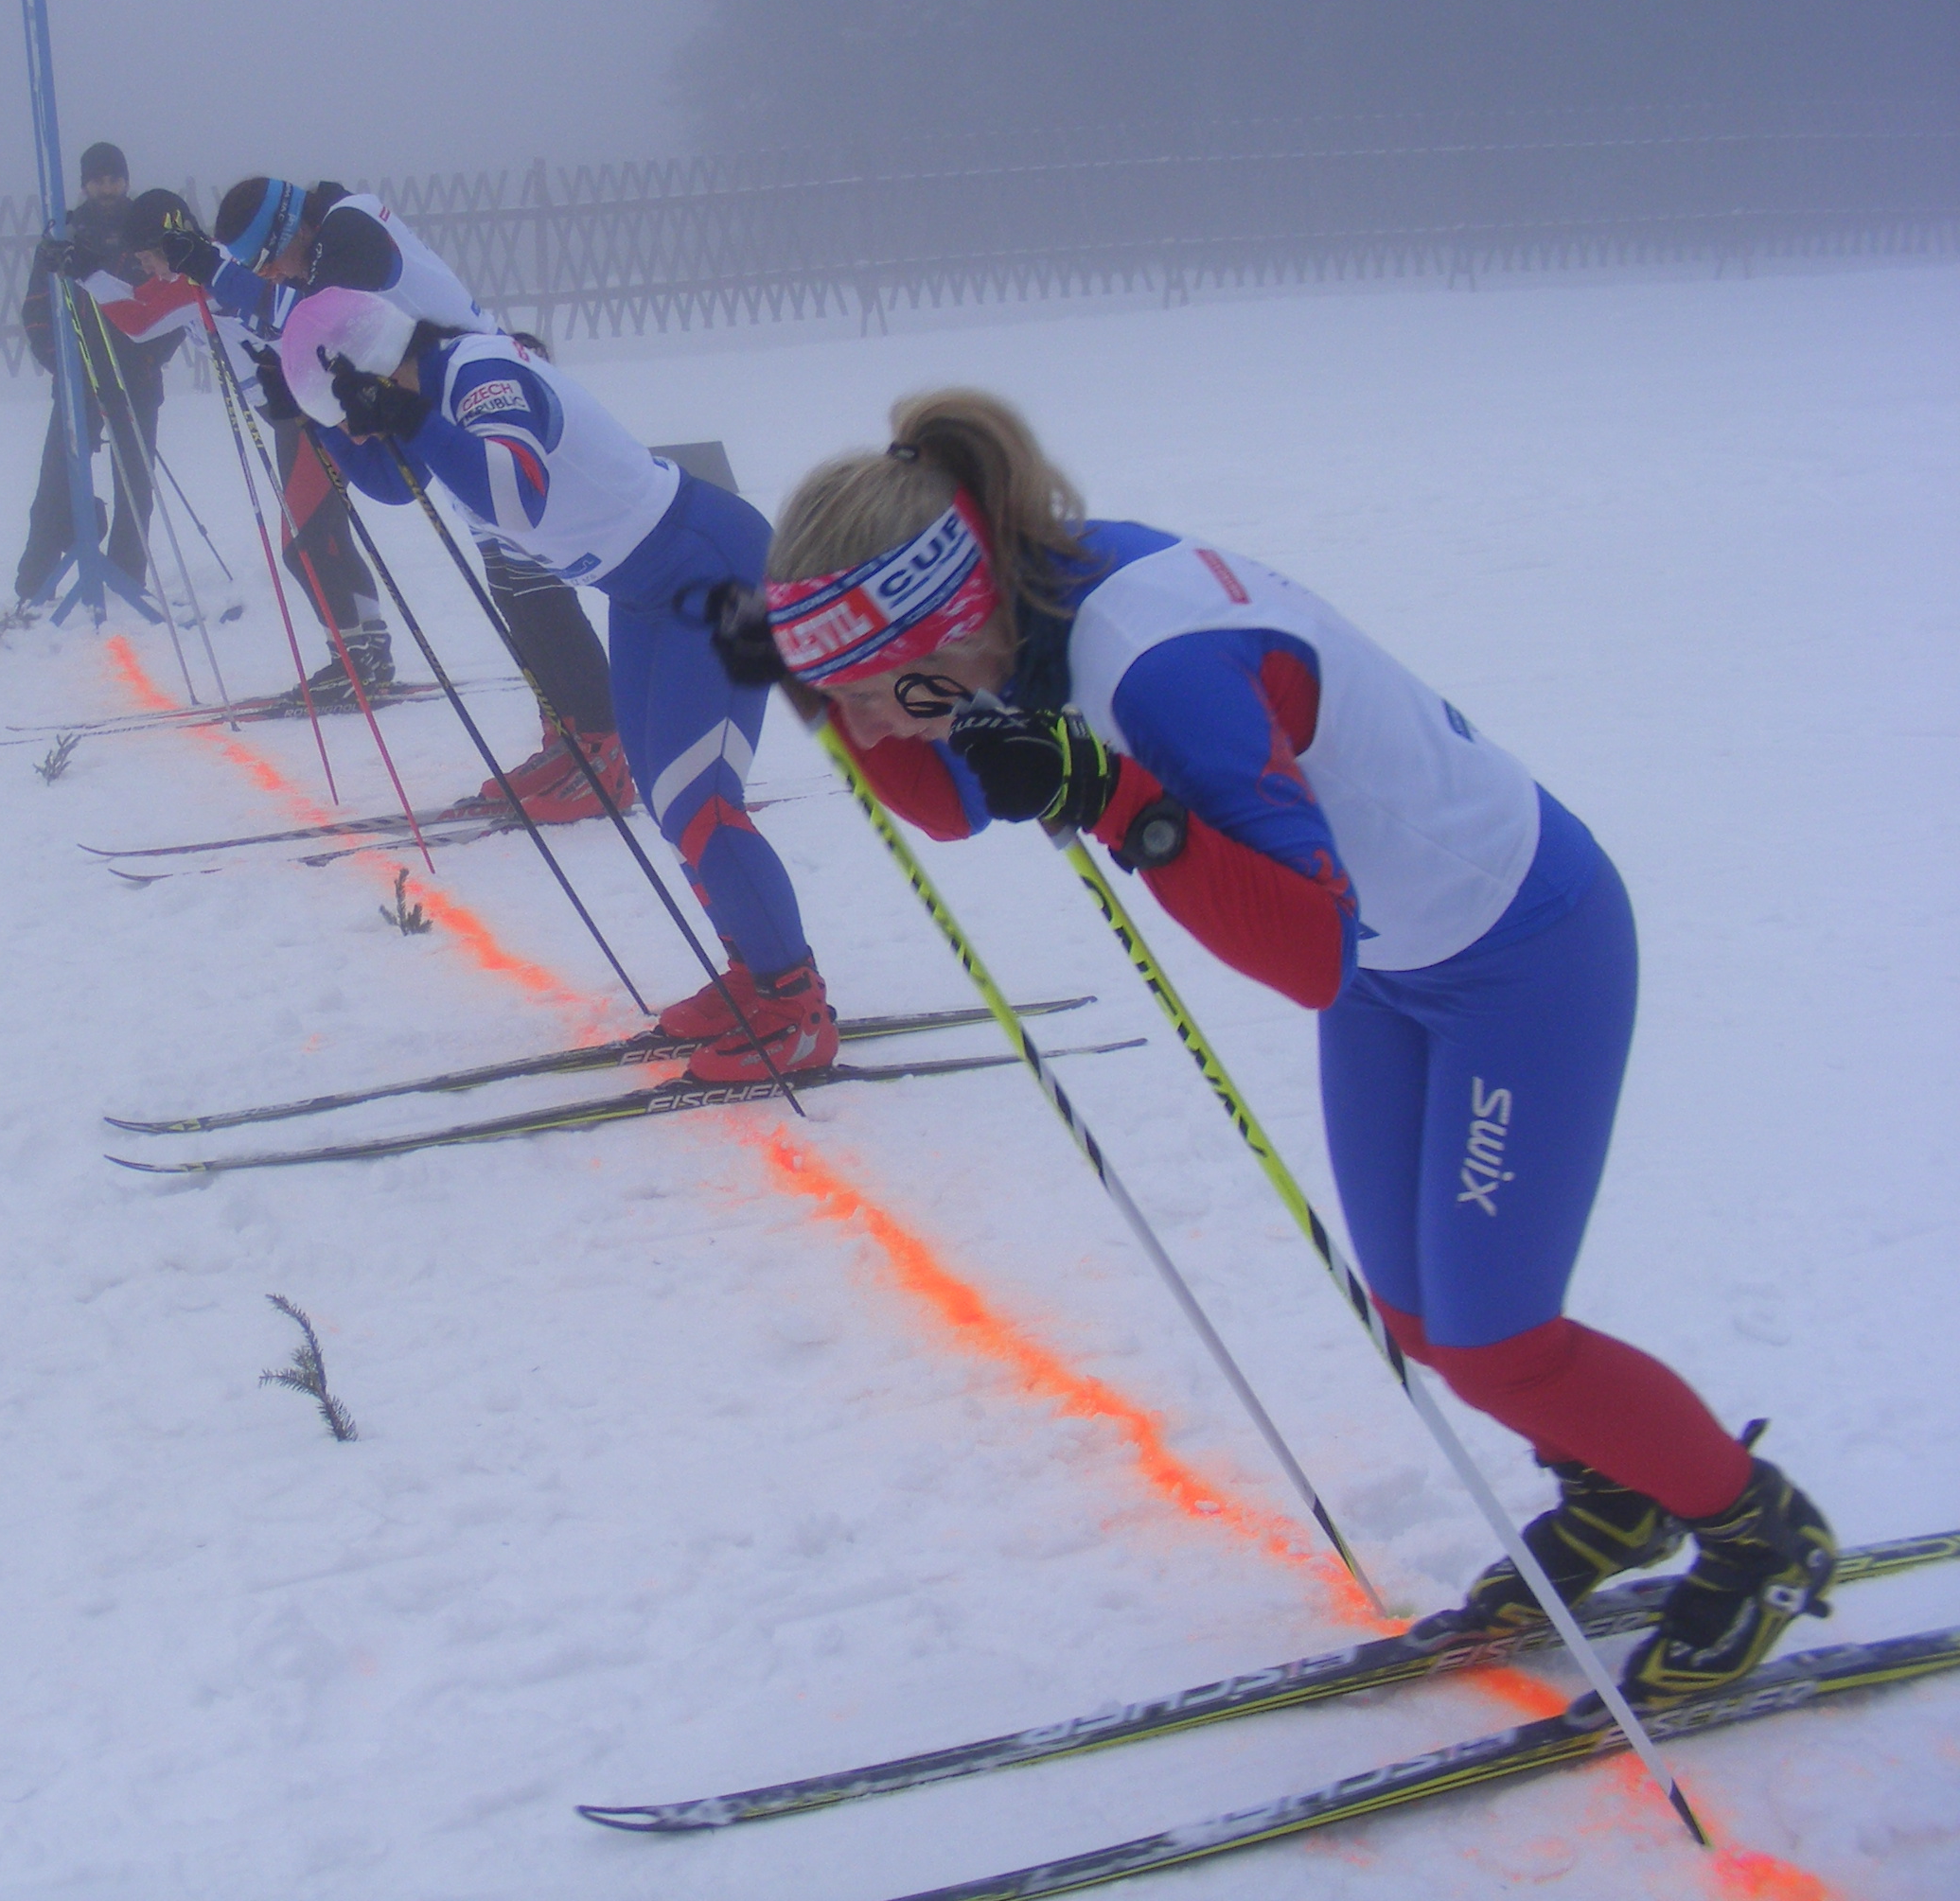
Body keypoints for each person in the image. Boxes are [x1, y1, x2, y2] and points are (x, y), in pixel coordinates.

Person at [728, 386, 1834, 1705]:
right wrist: (807, 684)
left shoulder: (1158, 669)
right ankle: (1618, 1486)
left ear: (949, 622)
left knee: (1497, 1338)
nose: (876, 731)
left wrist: (1107, 794)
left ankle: (1761, 1530)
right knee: (1425, 1319)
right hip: (1393, 971)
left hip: (1521, 952)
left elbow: (1306, 948)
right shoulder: (1008, 604)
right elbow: (956, 798)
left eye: (875, 694)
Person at [281, 284, 830, 1083]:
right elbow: (399, 480)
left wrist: (403, 420)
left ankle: (795, 1006)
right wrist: (313, 423)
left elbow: (515, 487)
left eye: (354, 405)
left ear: (370, 365)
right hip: (644, 588)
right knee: (664, 794)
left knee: (700, 802)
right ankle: (756, 972)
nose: (359, 422)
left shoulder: (478, 372)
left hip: (711, 569)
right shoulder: (426, 393)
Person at [154, 176, 630, 821]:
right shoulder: (328, 243)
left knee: (534, 585)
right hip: (447, 402)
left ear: (292, 229)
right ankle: (570, 738)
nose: (274, 274)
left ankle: (603, 750)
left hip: (487, 394)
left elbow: (307, 317)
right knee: (513, 588)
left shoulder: (350, 230)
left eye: (269, 259)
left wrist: (212, 269)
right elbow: (303, 318)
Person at [13, 143, 176, 609]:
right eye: (98, 180)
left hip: (136, 379)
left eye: (114, 179)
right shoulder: (65, 234)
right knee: (57, 477)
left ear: (126, 180)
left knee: (135, 483)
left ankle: (127, 574)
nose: (107, 188)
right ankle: (34, 582)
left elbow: (171, 305)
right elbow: (37, 308)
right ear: (85, 184)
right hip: (78, 379)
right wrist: (59, 364)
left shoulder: (144, 229)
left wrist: (150, 358)